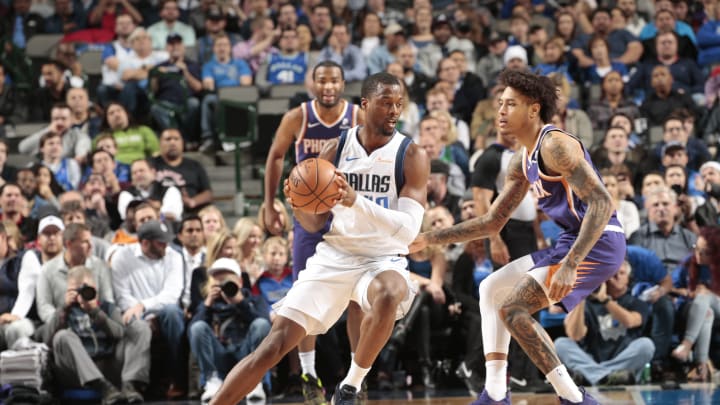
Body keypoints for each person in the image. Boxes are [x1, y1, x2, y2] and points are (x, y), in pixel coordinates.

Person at [209, 72, 429, 405]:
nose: (394, 111)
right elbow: (313, 225)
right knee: (271, 347)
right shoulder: (336, 148)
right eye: (386, 103)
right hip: (335, 255)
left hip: (383, 259)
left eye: (399, 104)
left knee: (391, 292)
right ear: (365, 105)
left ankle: (350, 386)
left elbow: (410, 230)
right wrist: (298, 202)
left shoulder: (411, 155)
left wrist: (356, 201)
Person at [411, 69, 625, 404]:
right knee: (490, 288)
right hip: (571, 240)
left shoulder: (555, 145)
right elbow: (492, 221)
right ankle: (496, 393)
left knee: (513, 309)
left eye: (510, 104)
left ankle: (574, 398)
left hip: (599, 242)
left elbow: (602, 201)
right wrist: (430, 237)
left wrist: (571, 263)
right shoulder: (520, 159)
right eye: (499, 104)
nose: (500, 111)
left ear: (534, 109)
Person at [262, 60, 363, 403]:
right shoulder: (297, 118)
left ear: (343, 83)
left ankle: (354, 379)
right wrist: (269, 202)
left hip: (346, 215)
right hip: (307, 216)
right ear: (313, 84)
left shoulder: (357, 117)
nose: (328, 87)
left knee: (357, 297)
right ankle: (308, 374)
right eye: (322, 81)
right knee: (304, 295)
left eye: (334, 80)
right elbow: (276, 156)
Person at [554, 261, 655, 386]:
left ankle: (594, 376)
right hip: (592, 359)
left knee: (646, 345)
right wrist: (581, 297)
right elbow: (575, 335)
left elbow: (630, 321)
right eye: (613, 274)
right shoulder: (588, 303)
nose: (617, 277)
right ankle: (606, 377)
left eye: (622, 273)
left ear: (629, 279)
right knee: (560, 344)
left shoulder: (636, 303)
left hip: (623, 362)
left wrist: (605, 300)